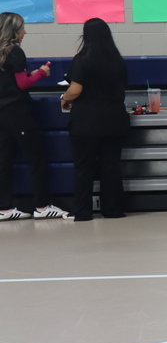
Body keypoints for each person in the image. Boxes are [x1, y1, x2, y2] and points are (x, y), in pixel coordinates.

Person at [59, 18, 130, 221]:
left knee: (84, 168)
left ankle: (83, 212)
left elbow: (75, 90)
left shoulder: (82, 59)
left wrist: (64, 98)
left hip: (86, 123)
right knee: (111, 167)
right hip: (115, 121)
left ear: (86, 36)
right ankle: (113, 210)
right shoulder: (117, 59)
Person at [0, 12, 68, 221]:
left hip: (2, 112)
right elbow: (21, 84)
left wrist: (30, 74)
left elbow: (11, 81)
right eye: (22, 28)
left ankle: (4, 208)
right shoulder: (15, 52)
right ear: (14, 31)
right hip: (18, 112)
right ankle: (41, 206)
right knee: (37, 158)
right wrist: (41, 73)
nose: (24, 32)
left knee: (4, 160)